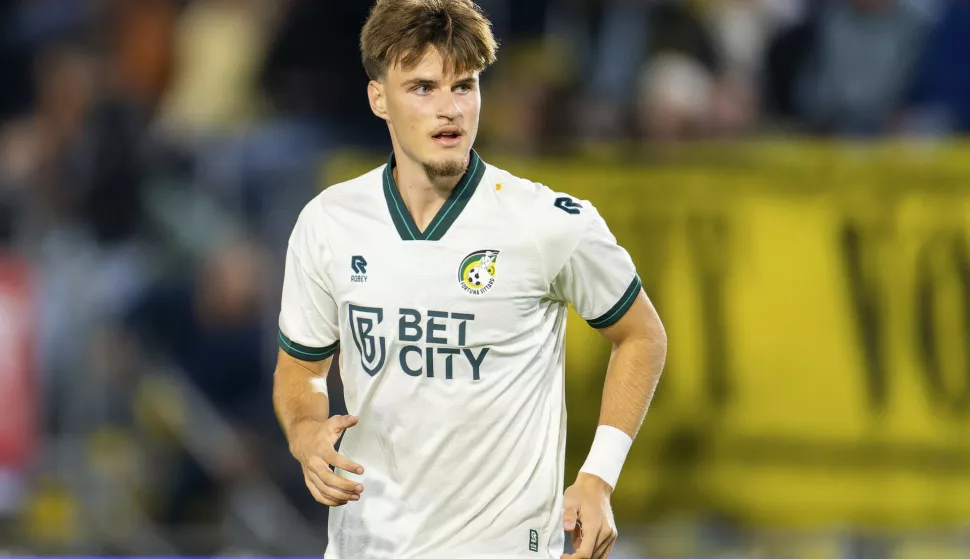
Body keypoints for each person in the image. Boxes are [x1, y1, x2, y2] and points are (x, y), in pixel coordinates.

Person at [271, 1, 667, 558]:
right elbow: (302, 367)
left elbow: (642, 335)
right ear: (378, 97)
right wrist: (306, 431)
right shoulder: (328, 222)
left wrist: (598, 477)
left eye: (464, 86)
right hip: (368, 546)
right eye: (423, 88)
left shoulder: (549, 223)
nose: (449, 110)